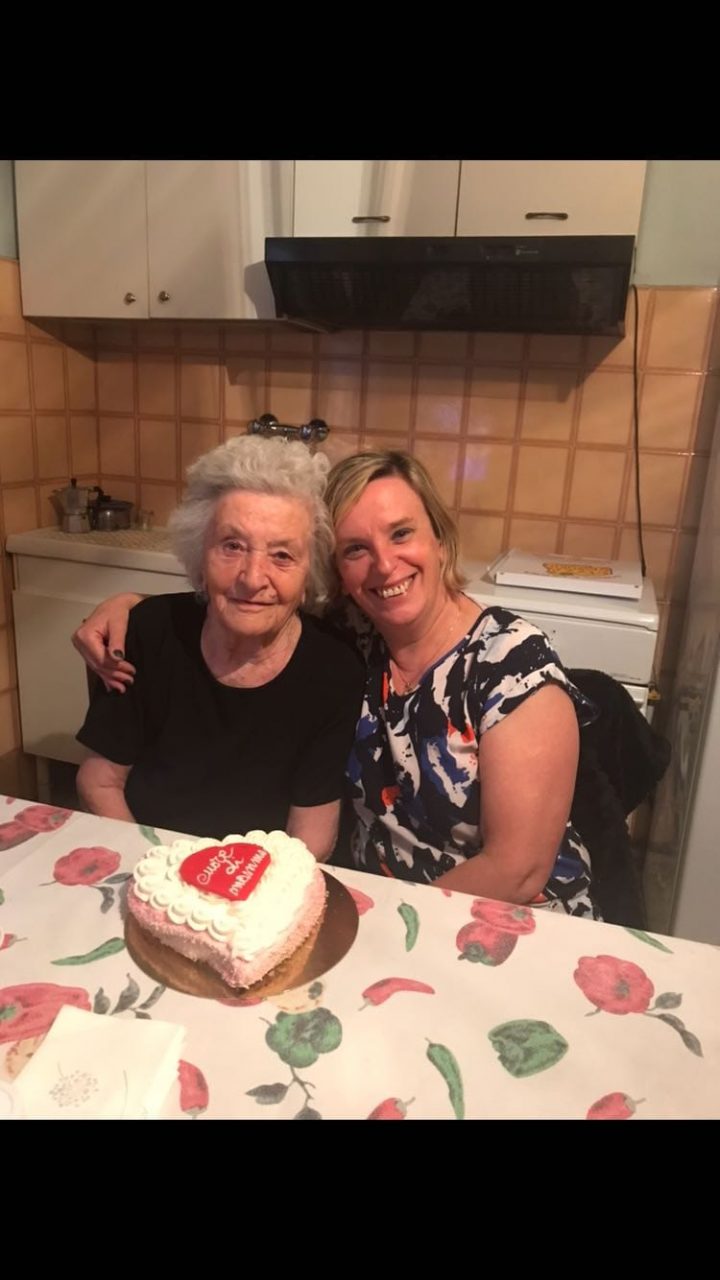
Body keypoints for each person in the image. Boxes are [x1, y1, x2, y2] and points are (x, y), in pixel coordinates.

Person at [74, 448, 598, 916]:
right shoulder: (358, 638)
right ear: (337, 572)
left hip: (499, 918)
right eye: (355, 549)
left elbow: (518, 870)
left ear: (440, 539)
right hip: (363, 902)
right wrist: (128, 607)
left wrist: (389, 926)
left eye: (401, 533)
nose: (385, 565)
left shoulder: (510, 662)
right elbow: (245, 606)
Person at [74, 435, 365, 859]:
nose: (252, 578)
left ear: (309, 575)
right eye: (232, 546)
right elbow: (99, 782)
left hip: (262, 877)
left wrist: (245, 890)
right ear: (200, 557)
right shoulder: (149, 632)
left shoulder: (333, 670)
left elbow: (312, 835)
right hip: (148, 857)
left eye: (282, 555)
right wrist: (150, 869)